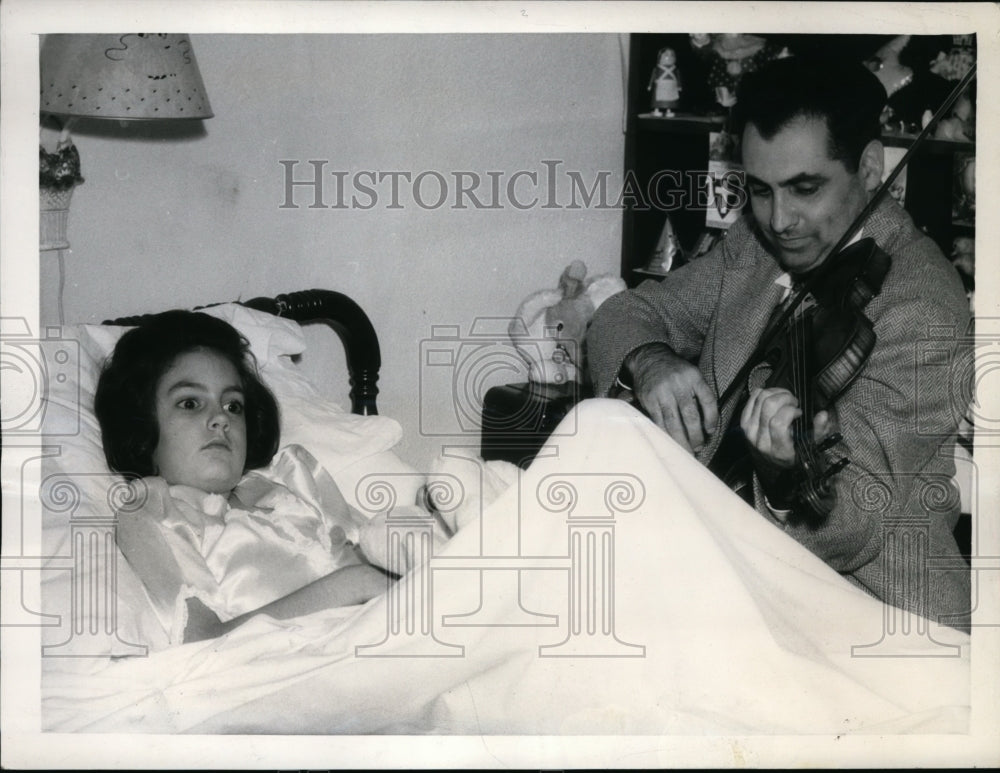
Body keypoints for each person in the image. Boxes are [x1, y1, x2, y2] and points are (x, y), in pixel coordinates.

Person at [587, 55, 971, 631]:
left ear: (870, 168)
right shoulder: (755, 244)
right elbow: (625, 314)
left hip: (866, 612)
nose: (779, 220)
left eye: (804, 188)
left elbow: (857, 520)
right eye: (760, 190)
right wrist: (650, 359)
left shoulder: (924, 303)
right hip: (723, 570)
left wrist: (786, 477)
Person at [95, 310, 391, 646]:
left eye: (233, 406)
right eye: (190, 403)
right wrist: (353, 585)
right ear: (141, 427)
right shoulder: (154, 512)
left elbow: (377, 563)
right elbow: (201, 640)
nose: (221, 418)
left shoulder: (291, 484)